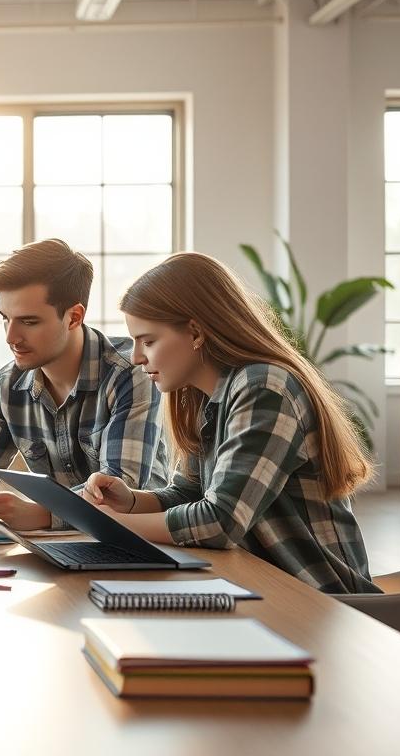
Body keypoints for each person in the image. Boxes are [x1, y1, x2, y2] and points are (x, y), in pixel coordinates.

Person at [80, 252, 379, 594]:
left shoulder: (265, 387)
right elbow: (187, 493)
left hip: (321, 599)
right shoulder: (200, 396)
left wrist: (114, 526)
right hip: (258, 585)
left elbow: (220, 521)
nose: (135, 357)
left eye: (148, 341)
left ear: (195, 333)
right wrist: (130, 501)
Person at [0, 238, 167, 530]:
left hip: (142, 541)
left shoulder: (131, 372)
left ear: (74, 317)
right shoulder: (7, 387)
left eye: (29, 322)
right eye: (5, 319)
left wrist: (43, 514)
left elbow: (119, 487)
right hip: (59, 547)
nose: (11, 337)